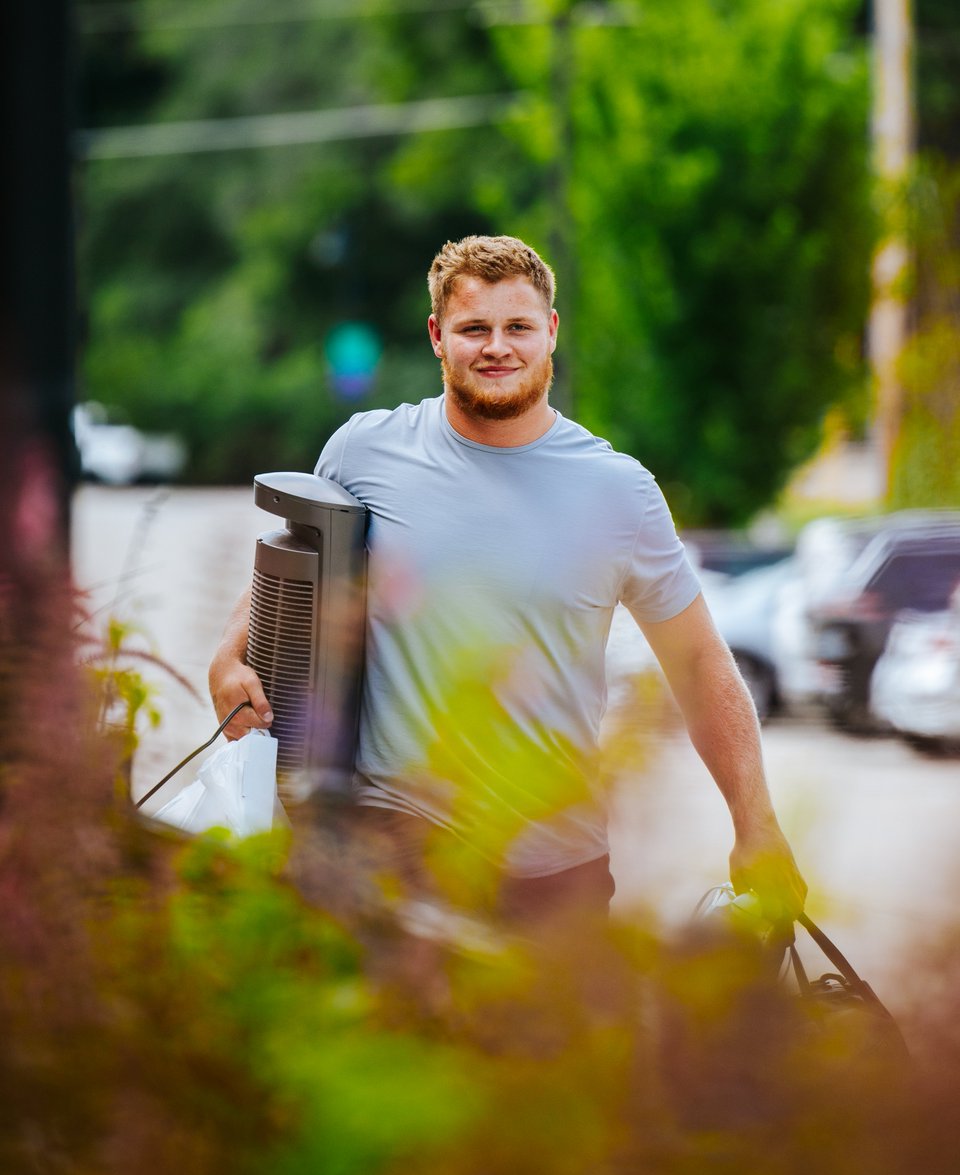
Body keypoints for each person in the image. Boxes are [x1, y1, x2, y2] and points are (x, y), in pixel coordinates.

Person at [209, 234, 806, 928]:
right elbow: (294, 564)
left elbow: (701, 664)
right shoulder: (363, 451)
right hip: (393, 844)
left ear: (551, 332)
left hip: (558, 867)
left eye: (518, 327)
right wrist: (228, 654)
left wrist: (756, 823)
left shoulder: (619, 492)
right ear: (438, 335)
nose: (498, 347)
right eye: (474, 329)